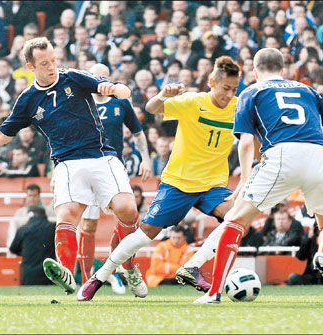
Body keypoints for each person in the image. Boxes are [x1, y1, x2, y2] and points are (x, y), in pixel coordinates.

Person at [193, 48, 323, 304]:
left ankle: (214, 292)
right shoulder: (307, 90)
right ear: (283, 70)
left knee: (234, 221)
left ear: (254, 71)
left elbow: (245, 143)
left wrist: (245, 179)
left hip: (280, 155)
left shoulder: (251, 92)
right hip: (319, 154)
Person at [0, 37, 137, 296]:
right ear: (30, 67)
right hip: (66, 163)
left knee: (127, 210)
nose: (52, 66)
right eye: (44, 63)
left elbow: (117, 88)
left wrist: (117, 90)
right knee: (66, 216)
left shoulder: (74, 78)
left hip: (100, 156)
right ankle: (66, 272)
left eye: (53, 60)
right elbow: (3, 134)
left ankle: (129, 267)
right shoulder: (28, 99)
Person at [77, 56, 241, 301]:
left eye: (234, 89)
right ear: (212, 82)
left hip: (213, 184)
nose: (229, 95)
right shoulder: (193, 101)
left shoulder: (240, 106)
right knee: (144, 236)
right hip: (179, 182)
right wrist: (164, 94)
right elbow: (151, 108)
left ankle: (193, 266)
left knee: (238, 219)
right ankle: (100, 276)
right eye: (225, 88)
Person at [77, 63, 151, 297]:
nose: (100, 81)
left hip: (113, 169)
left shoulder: (121, 102)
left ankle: (128, 269)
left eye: (104, 78)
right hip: (86, 167)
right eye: (95, 77)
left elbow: (138, 132)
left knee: (126, 220)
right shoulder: (79, 102)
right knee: (88, 225)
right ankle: (87, 278)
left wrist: (146, 159)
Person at [9, 206, 56, 285]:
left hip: (28, 278)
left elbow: (13, 249)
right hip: (49, 278)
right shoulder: (53, 228)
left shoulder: (23, 229)